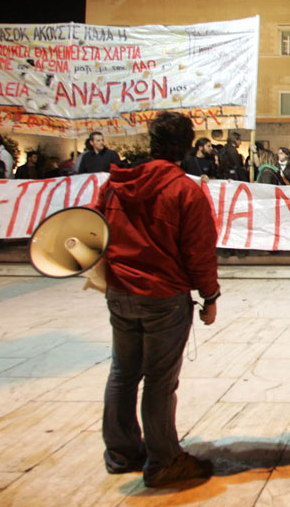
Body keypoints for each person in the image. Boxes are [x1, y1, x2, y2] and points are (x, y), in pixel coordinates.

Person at [94, 111, 219, 487]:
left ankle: (121, 452)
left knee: (122, 372)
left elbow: (94, 231)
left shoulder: (115, 185)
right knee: (160, 381)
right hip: (163, 295)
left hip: (120, 292)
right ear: (184, 145)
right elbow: (199, 250)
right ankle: (164, 461)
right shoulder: (184, 191)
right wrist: (209, 295)